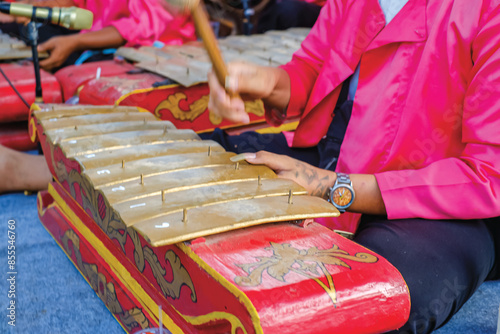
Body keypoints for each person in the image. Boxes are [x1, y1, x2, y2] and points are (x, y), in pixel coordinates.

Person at [206, 0, 500, 333]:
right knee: (208, 160)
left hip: (445, 201)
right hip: (338, 152)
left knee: (369, 296)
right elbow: (312, 69)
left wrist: (331, 187)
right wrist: (267, 82)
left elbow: (488, 175)